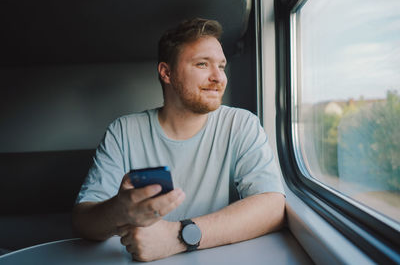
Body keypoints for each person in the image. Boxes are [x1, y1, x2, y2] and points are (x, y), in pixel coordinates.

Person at [72, 18, 285, 262]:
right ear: (166, 72)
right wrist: (118, 211)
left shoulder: (241, 124)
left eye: (222, 66)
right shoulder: (124, 131)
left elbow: (272, 206)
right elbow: (82, 220)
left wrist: (177, 236)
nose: (219, 77)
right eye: (203, 64)